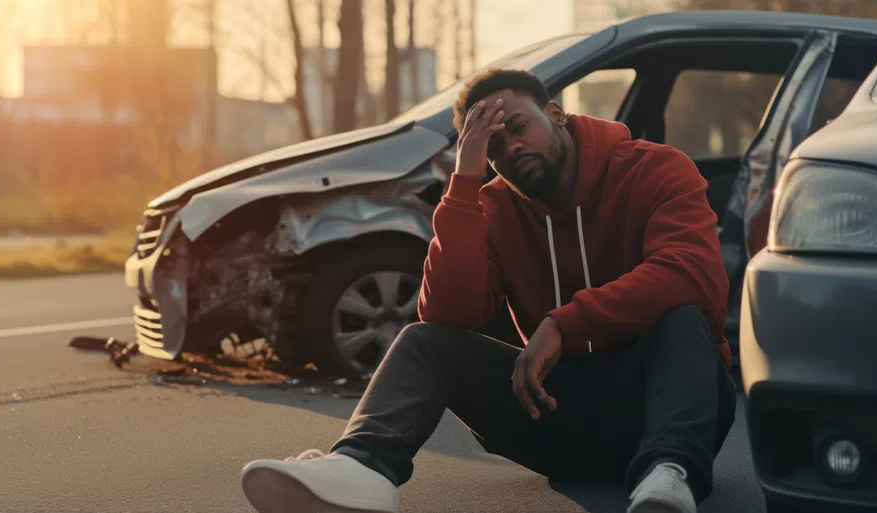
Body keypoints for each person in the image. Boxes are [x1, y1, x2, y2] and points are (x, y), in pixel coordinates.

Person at [239, 68, 737, 513]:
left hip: (667, 412)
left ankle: (668, 481)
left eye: (517, 128)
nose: (510, 149)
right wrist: (464, 183)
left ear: (556, 114)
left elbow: (691, 271)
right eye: (491, 147)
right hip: (559, 415)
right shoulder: (492, 205)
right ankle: (361, 471)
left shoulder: (654, 168)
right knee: (423, 341)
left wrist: (564, 323)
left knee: (682, 315)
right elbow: (448, 313)